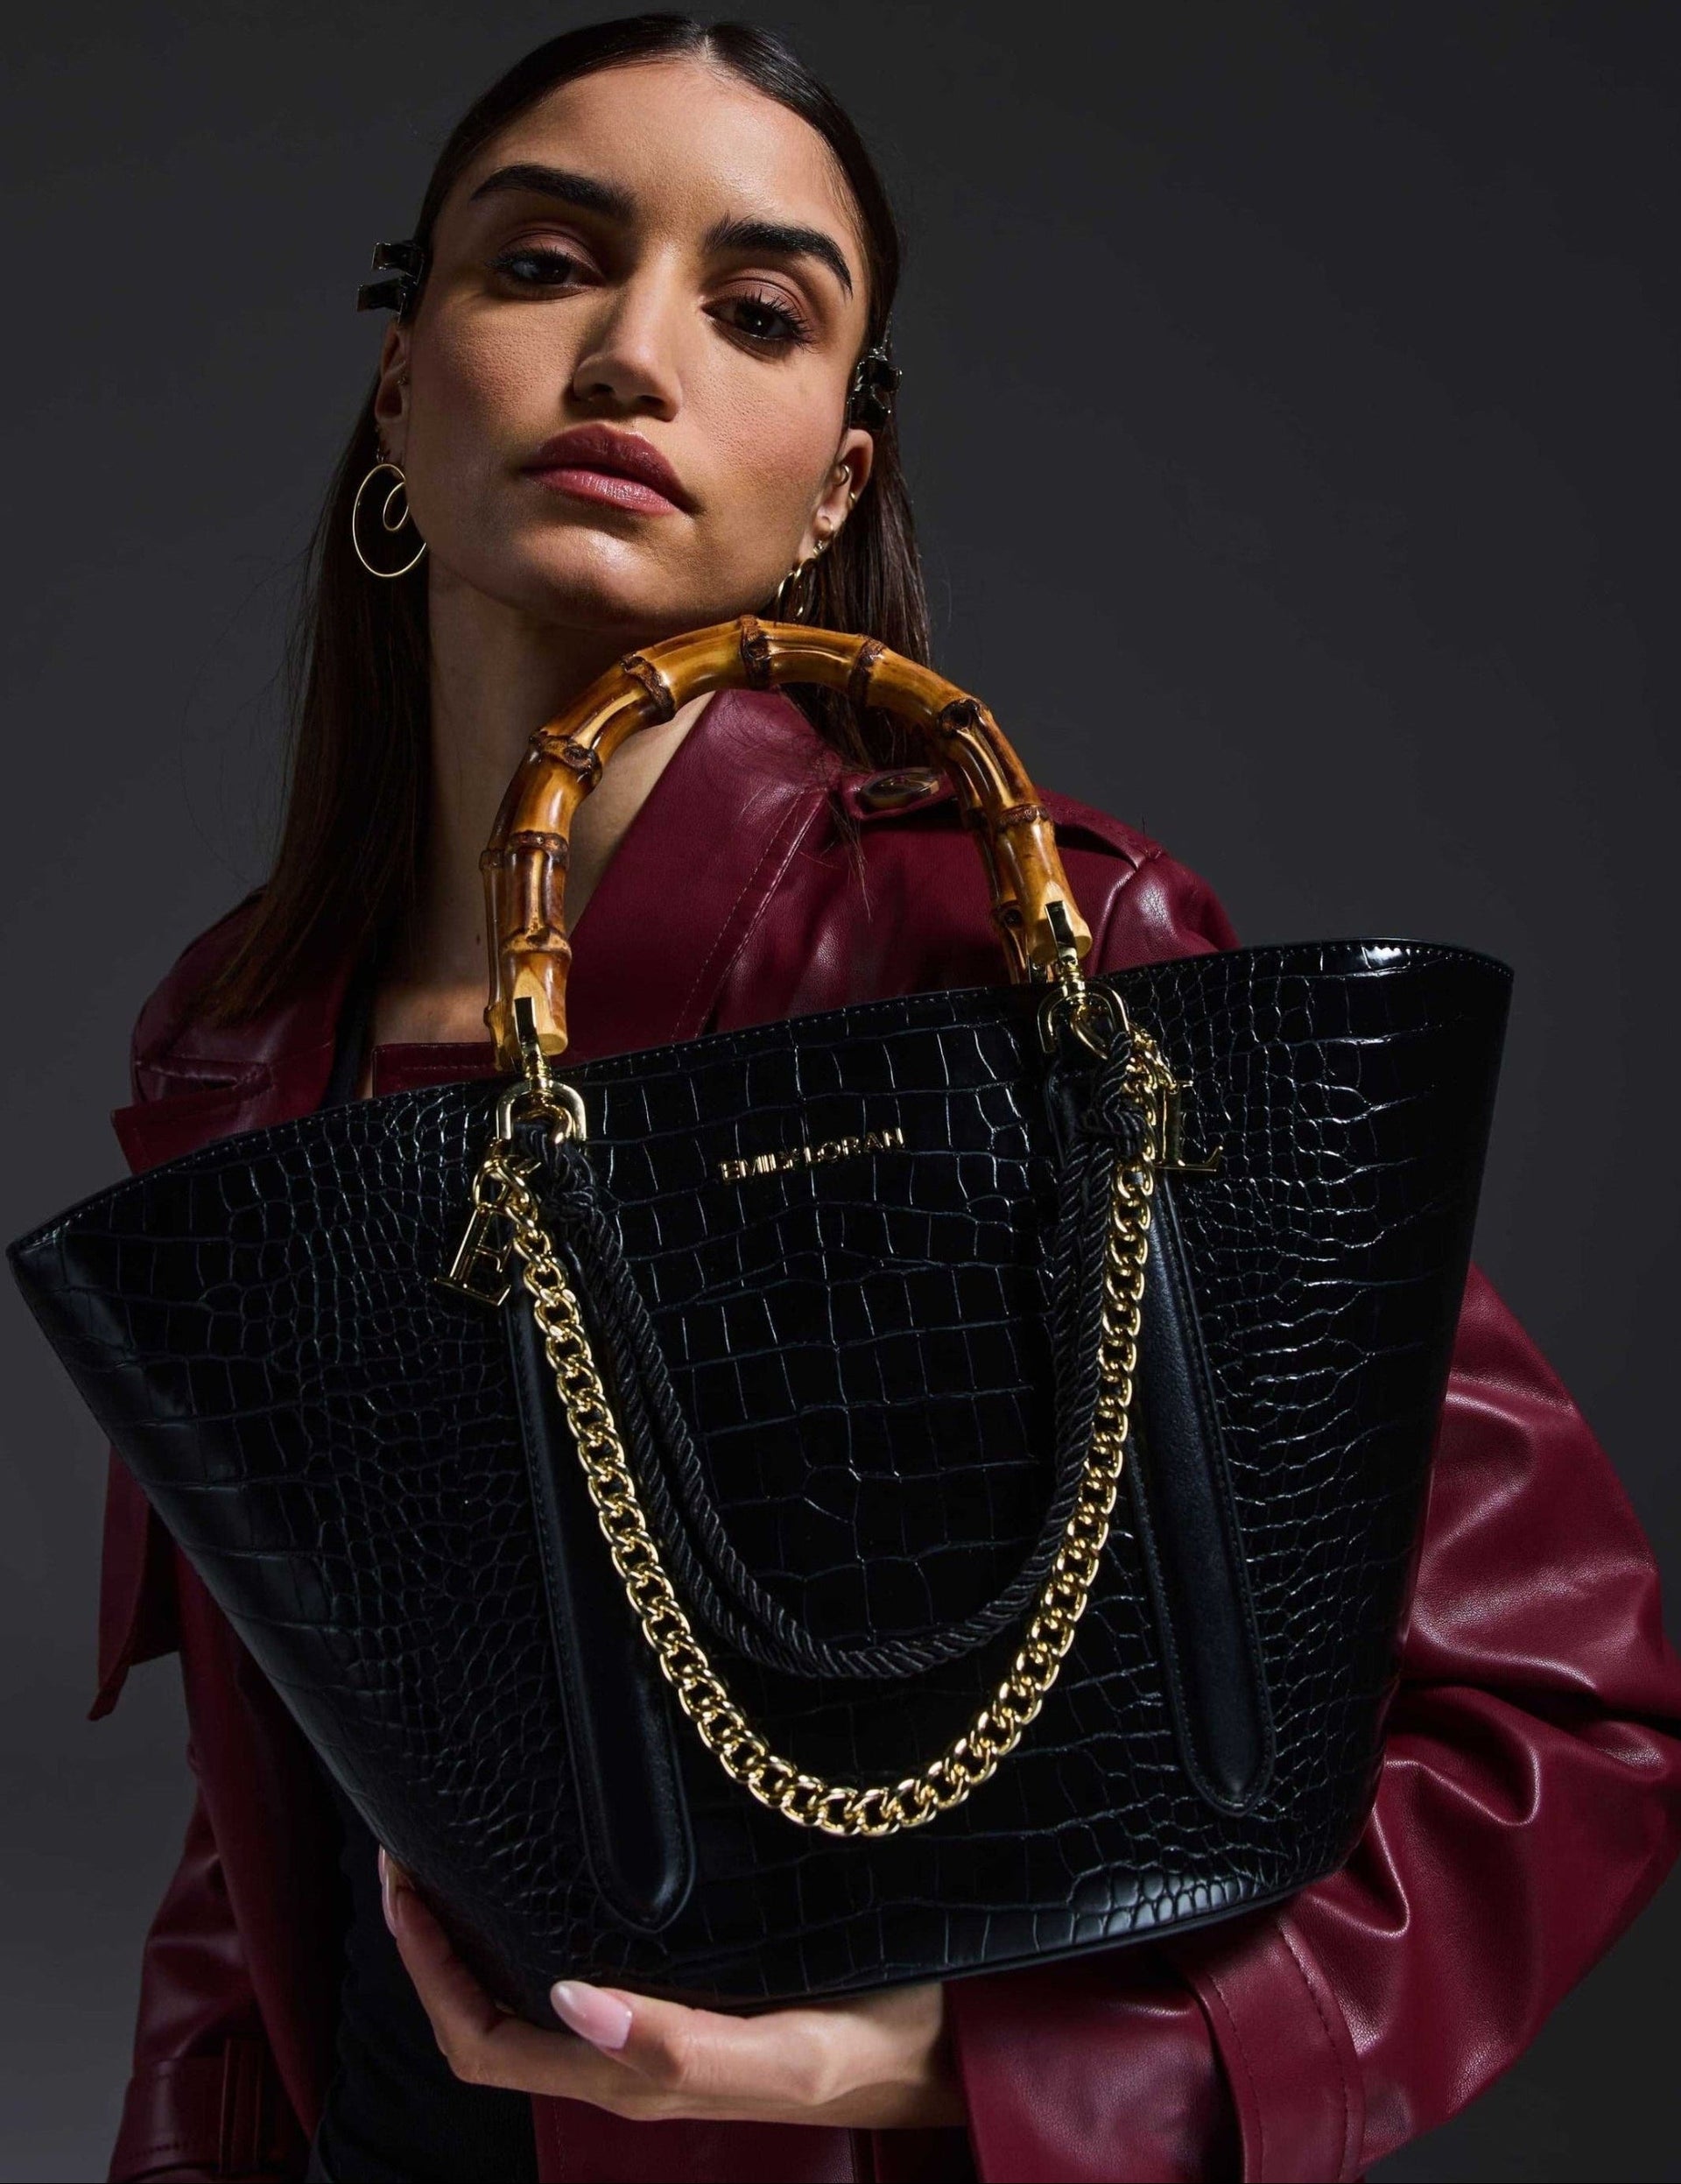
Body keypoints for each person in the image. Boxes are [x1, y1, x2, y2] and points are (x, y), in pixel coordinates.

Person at [95, 18, 1681, 2184]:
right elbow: (266, 1800)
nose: (632, 354)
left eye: (758, 311)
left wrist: (948, 2067)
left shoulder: (1028, 960)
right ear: (400, 383)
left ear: (838, 479)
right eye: (543, 264)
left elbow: (1564, 1715)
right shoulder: (238, 1033)